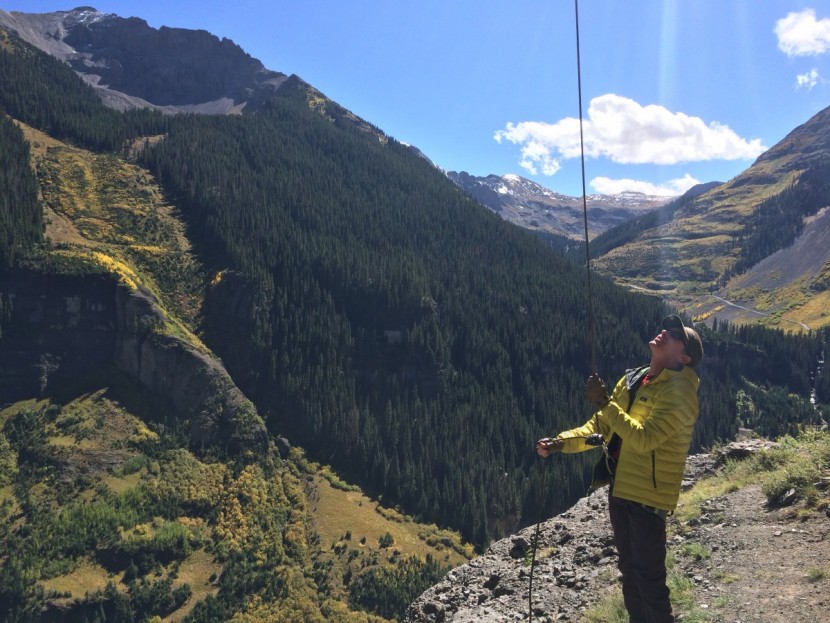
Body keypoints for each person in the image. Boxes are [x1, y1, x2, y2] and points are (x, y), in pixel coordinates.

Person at [536, 314, 703, 623]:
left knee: (649, 581)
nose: (664, 332)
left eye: (675, 334)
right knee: (630, 573)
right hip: (621, 489)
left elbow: (644, 439)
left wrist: (605, 404)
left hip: (648, 498)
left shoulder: (680, 393)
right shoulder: (634, 381)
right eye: (665, 327)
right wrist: (560, 443)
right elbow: (599, 427)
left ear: (684, 357)